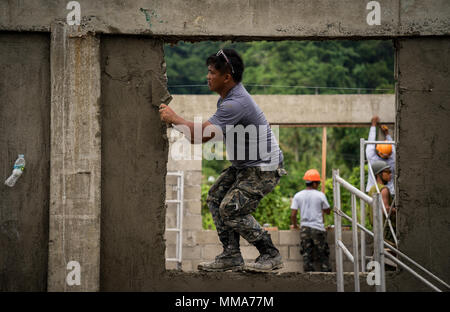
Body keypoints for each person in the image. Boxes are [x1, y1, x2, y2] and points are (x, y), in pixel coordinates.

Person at [159, 49, 286, 273]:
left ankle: (270, 254)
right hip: (245, 166)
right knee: (215, 197)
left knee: (230, 209)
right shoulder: (227, 100)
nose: (207, 77)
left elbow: (200, 135)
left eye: (211, 72)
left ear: (226, 77)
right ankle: (231, 255)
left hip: (264, 167)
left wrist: (174, 118)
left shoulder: (235, 104)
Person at [290, 169, 331, 272]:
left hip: (304, 229)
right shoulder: (320, 195)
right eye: (317, 183)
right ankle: (327, 277)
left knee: (306, 255)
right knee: (322, 254)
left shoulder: (298, 195)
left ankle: (308, 279)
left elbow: (293, 214)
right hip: (317, 228)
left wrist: (295, 225)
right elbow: (328, 211)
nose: (317, 185)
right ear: (314, 183)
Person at [367, 160, 396, 246]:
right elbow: (386, 210)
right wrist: (398, 211)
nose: (390, 174)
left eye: (390, 172)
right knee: (390, 255)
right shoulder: (384, 190)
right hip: (386, 229)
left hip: (376, 229)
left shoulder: (372, 189)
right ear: (379, 174)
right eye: (387, 172)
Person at [366, 116, 395, 196]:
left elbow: (370, 141)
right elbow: (392, 146)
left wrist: (373, 125)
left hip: (373, 191)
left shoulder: (372, 157)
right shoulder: (393, 159)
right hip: (390, 192)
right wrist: (387, 134)